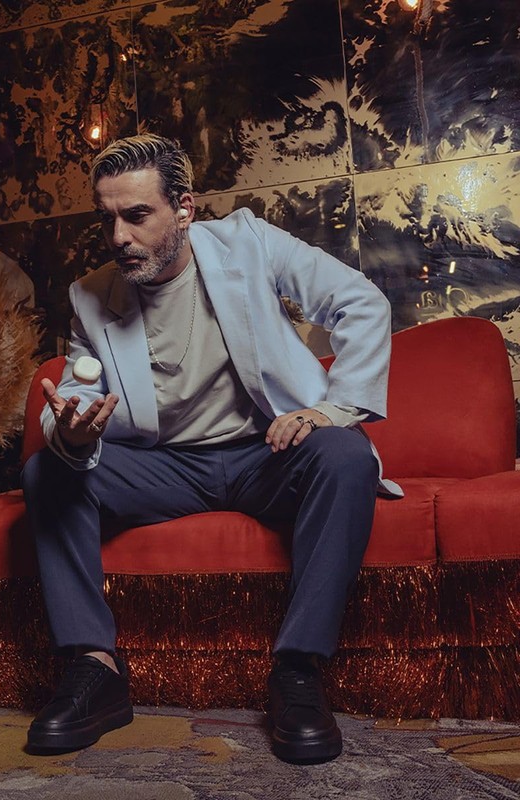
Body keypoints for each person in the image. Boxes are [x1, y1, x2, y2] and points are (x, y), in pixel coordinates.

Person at [22, 133, 399, 764]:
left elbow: (360, 301)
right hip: (165, 467)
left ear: (184, 208)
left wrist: (329, 411)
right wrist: (75, 433)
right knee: (47, 472)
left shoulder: (249, 243)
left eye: (136, 215)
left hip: (265, 454)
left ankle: (297, 671)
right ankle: (94, 668)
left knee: (345, 456)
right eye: (107, 219)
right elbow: (80, 394)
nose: (118, 237)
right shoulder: (90, 296)